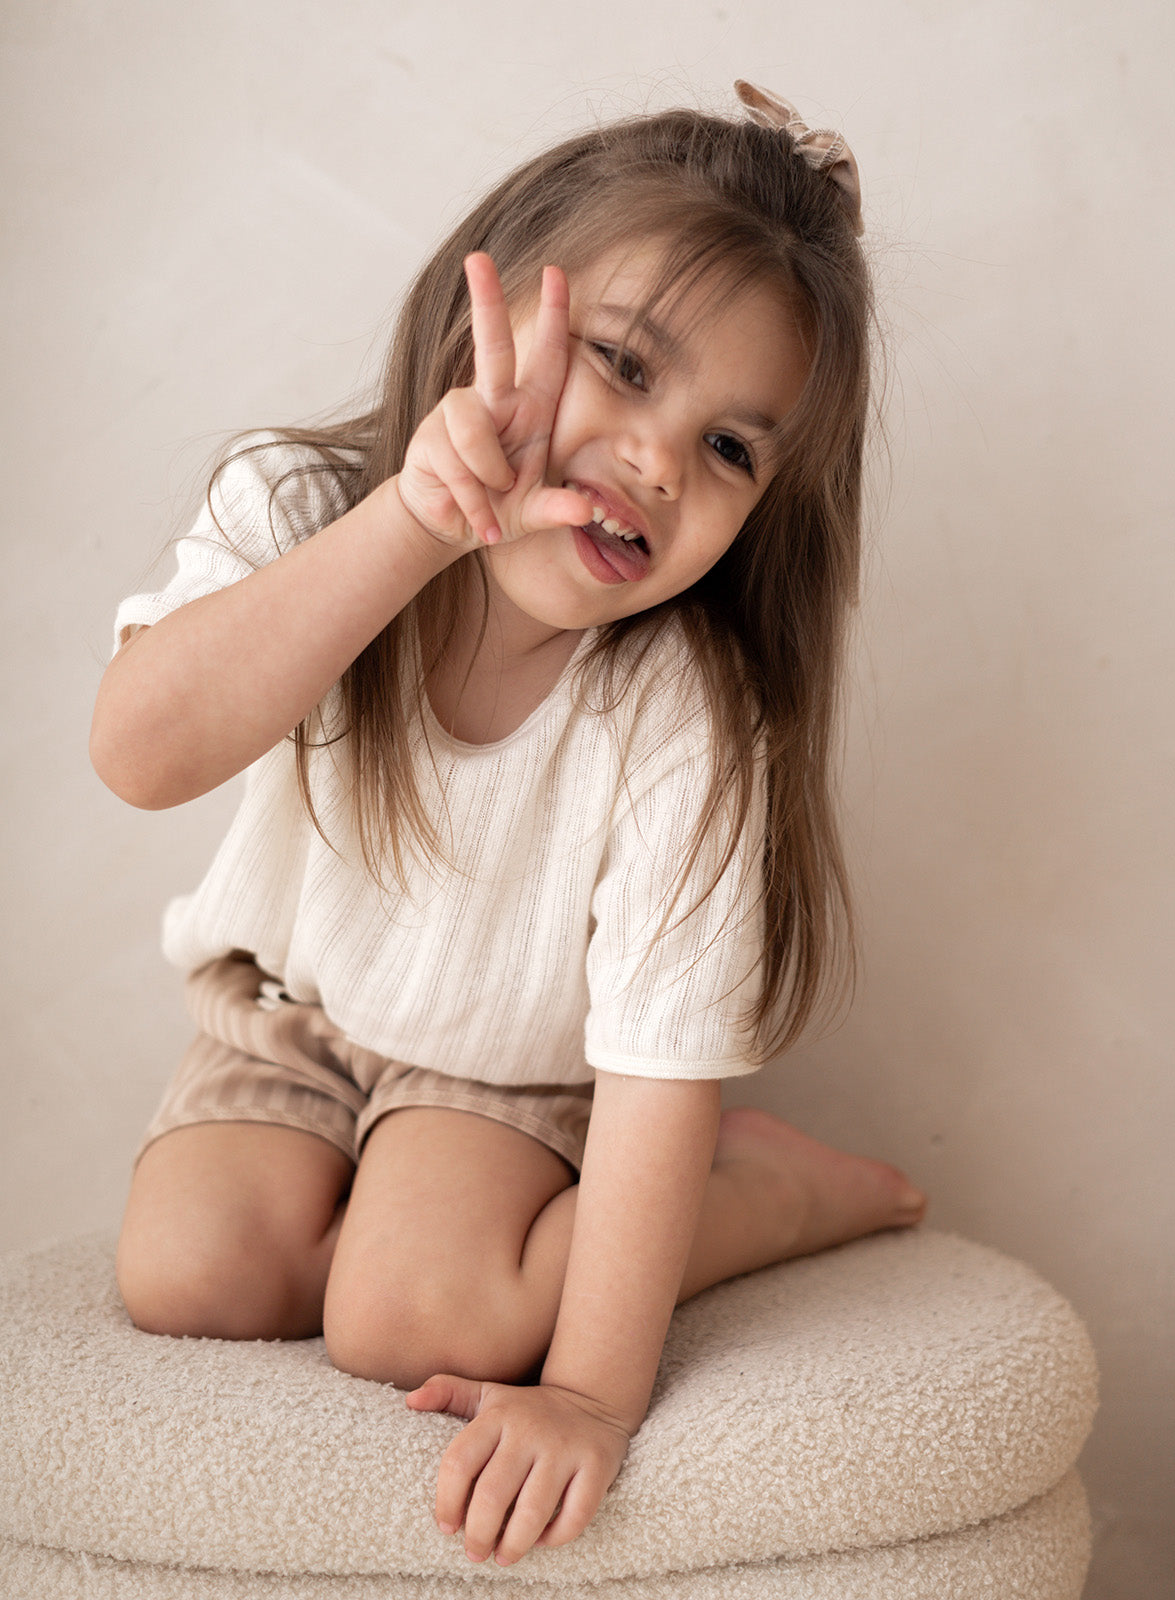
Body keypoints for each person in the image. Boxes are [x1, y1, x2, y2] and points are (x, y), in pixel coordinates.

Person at [90, 80, 927, 1568]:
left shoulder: (681, 711)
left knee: (409, 1311)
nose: (661, 459)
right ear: (485, 304)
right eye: (620, 364)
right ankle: (402, 1198)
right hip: (292, 1018)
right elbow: (142, 752)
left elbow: (655, 1069)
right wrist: (411, 523)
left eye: (732, 449)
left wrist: (594, 1398)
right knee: (189, 1275)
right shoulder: (302, 507)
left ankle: (772, 1191)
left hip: (514, 1078)